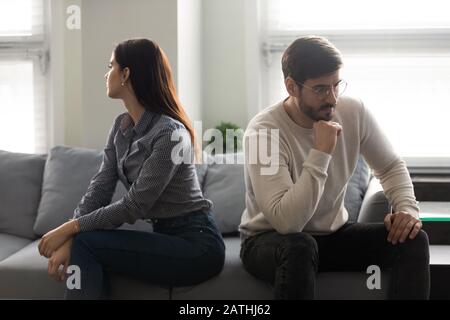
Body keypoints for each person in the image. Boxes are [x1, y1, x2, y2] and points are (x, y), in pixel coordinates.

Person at [239, 36, 430, 299]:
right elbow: (287, 223)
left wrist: (407, 210)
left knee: (413, 239)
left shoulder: (352, 111)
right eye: (320, 89)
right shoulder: (264, 132)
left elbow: (390, 166)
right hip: (269, 241)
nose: (332, 98)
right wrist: (321, 151)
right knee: (300, 246)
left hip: (332, 236)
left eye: (336, 85)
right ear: (291, 87)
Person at [38, 39, 225, 299]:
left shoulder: (170, 134)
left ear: (126, 74)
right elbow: (100, 188)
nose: (106, 74)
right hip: (167, 237)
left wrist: (69, 229)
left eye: (111, 66)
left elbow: (134, 205)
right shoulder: (120, 127)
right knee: (84, 242)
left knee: (87, 243)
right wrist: (71, 234)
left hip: (197, 246)